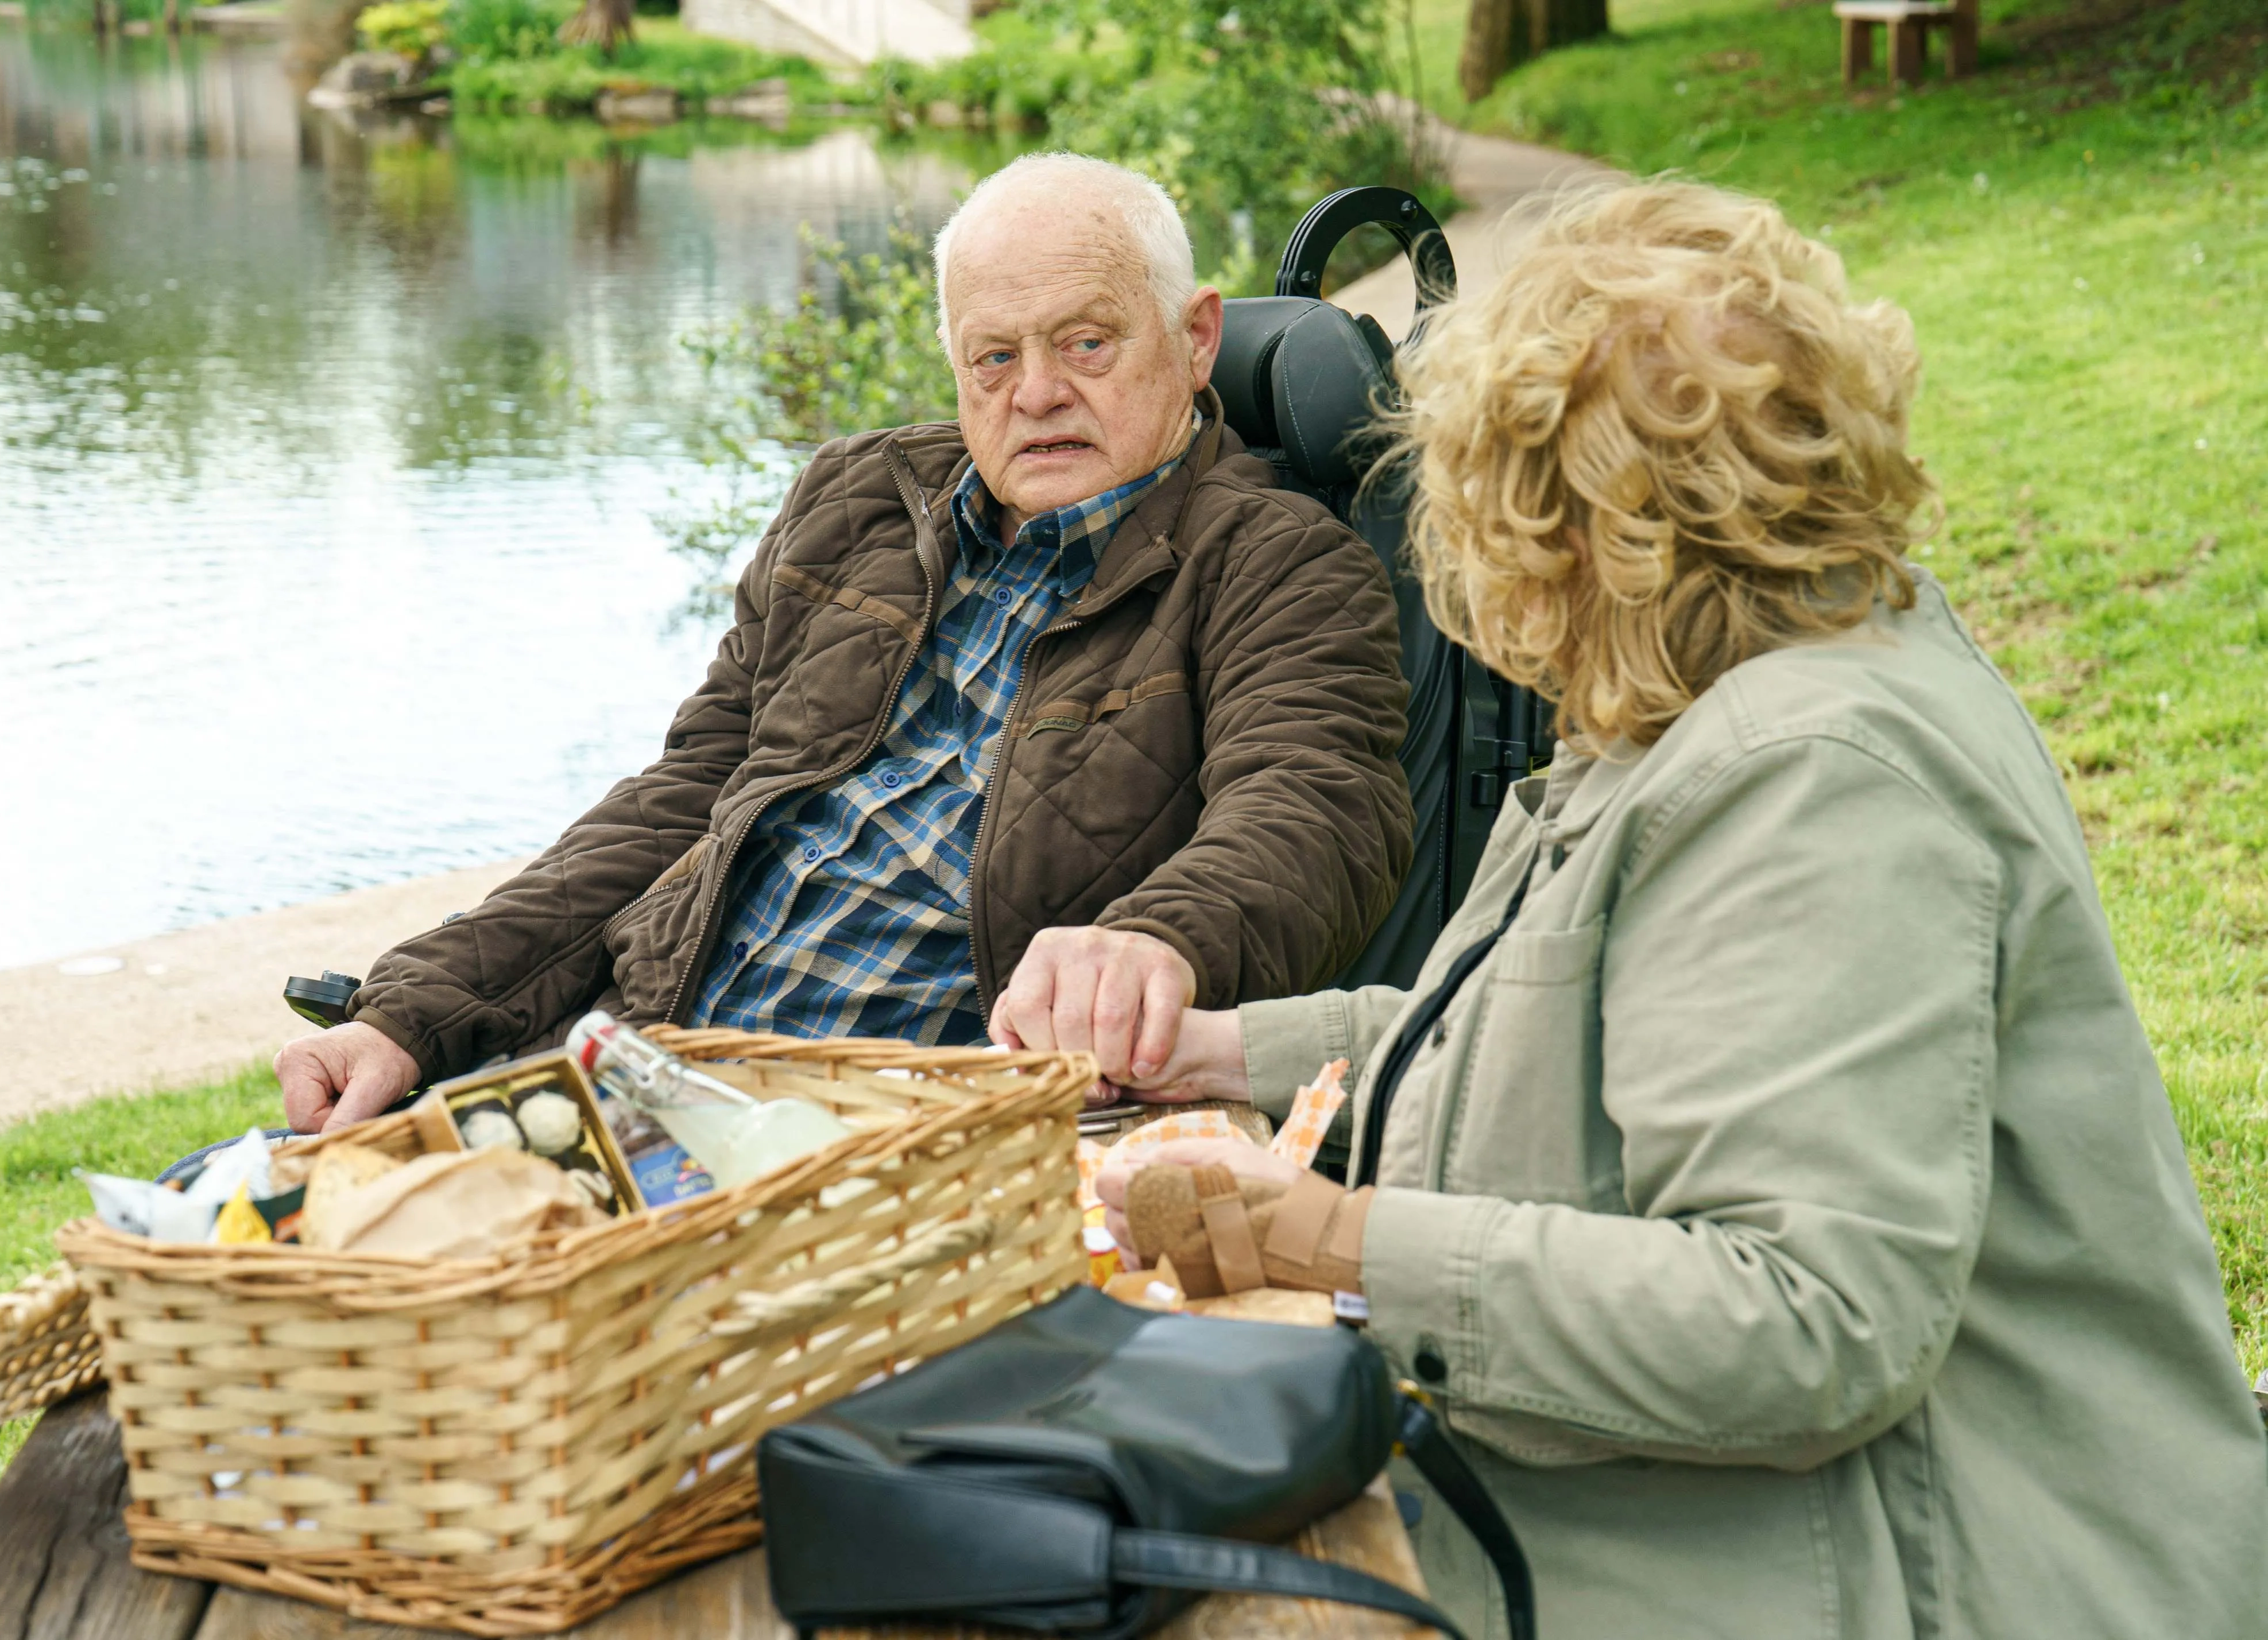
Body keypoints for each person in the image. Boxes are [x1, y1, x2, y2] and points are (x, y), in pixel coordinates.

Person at [1099, 181, 2268, 1636]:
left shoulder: (1818, 777)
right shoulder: (1717, 675)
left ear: (1578, 518)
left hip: (1926, 1583)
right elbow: (1571, 1035)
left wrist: (1333, 1241)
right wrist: (1225, 1054)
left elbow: (1807, 1320)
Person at [278, 152, 1413, 1133]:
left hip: (923, 1127)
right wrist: (411, 1010)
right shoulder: (858, 498)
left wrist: (1158, 943)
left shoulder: (1279, 564)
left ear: (1196, 335)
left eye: (1087, 342)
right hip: (652, 1068)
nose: (1038, 393)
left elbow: (1318, 808)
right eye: (995, 358)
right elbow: (689, 795)